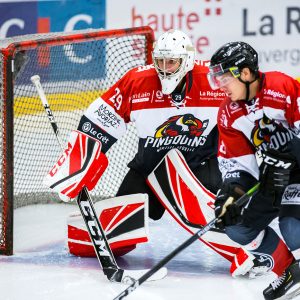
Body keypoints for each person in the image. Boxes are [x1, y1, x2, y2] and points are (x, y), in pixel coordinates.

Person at [44, 30, 257, 277]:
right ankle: (82, 232)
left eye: (172, 62)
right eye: (160, 61)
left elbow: (247, 112)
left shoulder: (212, 82)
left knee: (221, 207)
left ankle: (246, 246)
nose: (165, 68)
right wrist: (79, 160)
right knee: (119, 237)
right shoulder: (138, 81)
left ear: (186, 61)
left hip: (200, 167)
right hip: (149, 169)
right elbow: (100, 120)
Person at [207, 41, 300, 300]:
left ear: (246, 73)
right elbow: (239, 166)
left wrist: (290, 154)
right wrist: (232, 193)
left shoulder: (282, 88)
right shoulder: (227, 113)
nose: (221, 86)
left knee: (292, 225)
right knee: (236, 226)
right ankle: (290, 270)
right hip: (272, 179)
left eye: (224, 78)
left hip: (297, 172)